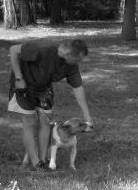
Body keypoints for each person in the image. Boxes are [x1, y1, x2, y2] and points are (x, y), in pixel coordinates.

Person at [7, 39, 93, 171]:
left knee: (45, 122)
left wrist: (87, 115)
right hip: (23, 86)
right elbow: (13, 50)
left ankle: (43, 161)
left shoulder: (71, 65)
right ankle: (36, 163)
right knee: (29, 122)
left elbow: (78, 87)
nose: (78, 63)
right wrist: (19, 78)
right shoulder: (40, 50)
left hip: (43, 89)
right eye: (77, 59)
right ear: (68, 53)